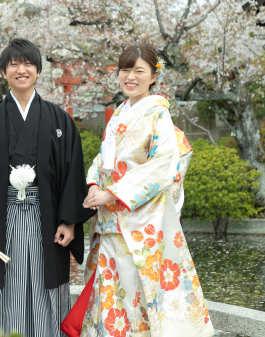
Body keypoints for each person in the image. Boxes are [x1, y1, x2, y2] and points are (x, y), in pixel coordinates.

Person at [0, 38, 95, 337]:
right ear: (4, 72)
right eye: (13, 64)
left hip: (48, 217)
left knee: (47, 283)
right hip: (1, 217)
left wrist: (69, 220)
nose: (21, 69)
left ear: (38, 71)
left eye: (28, 63)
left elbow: (72, 172)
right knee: (6, 285)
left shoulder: (59, 119)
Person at [77, 44, 214, 337]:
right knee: (109, 297)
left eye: (139, 71)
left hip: (138, 221)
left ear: (153, 75)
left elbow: (163, 165)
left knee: (134, 297)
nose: (130, 76)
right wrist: (93, 185)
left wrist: (112, 193)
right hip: (109, 220)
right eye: (125, 70)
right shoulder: (118, 115)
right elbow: (103, 160)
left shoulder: (157, 114)